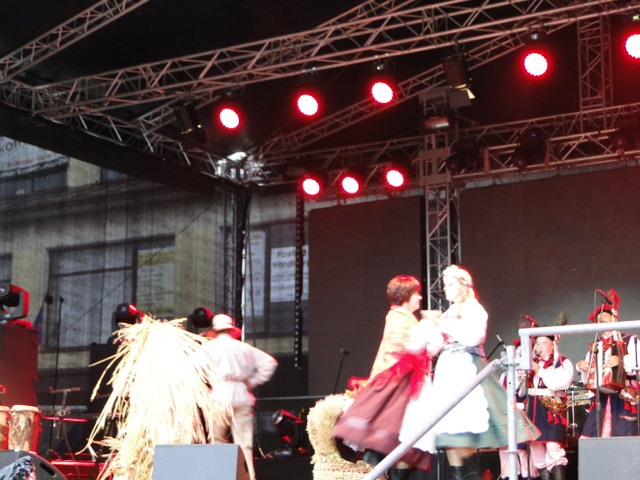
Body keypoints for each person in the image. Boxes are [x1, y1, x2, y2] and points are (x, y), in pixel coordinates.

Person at [425, 265, 539, 480]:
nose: (445, 289)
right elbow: (438, 343)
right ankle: (459, 474)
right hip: (447, 370)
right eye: (445, 284)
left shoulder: (474, 309)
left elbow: (473, 338)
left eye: (450, 284)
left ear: (462, 286)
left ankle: (469, 474)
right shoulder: (449, 312)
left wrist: (442, 326)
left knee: (464, 428)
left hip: (466, 368)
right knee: (450, 432)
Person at [333, 275, 437, 479]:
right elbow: (410, 347)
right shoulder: (398, 318)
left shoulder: (406, 318)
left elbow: (425, 349)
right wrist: (429, 325)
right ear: (405, 295)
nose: (420, 297)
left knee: (397, 442)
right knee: (382, 438)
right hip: (394, 386)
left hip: (404, 387)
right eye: (416, 293)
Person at [198, 314, 278, 480]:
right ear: (231, 329)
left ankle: (221, 475)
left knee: (217, 440)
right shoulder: (243, 348)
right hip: (241, 394)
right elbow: (270, 362)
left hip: (219, 395)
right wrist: (252, 381)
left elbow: (193, 368)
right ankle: (249, 477)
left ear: (215, 330)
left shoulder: (209, 348)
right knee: (244, 443)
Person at [576, 295, 638, 438]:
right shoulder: (596, 346)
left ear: (613, 317)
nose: (601, 319)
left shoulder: (630, 340)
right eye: (598, 319)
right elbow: (588, 377)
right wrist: (582, 366)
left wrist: (621, 361)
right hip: (602, 398)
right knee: (591, 436)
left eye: (604, 316)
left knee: (622, 436)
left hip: (624, 396)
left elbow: (636, 365)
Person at [524, 333, 574, 480]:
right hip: (534, 408)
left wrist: (539, 371)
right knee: (536, 448)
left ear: (553, 344)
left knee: (553, 447)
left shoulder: (563, 362)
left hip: (551, 408)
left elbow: (558, 384)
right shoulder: (533, 363)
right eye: (537, 343)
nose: (539, 346)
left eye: (543, 343)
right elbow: (521, 391)